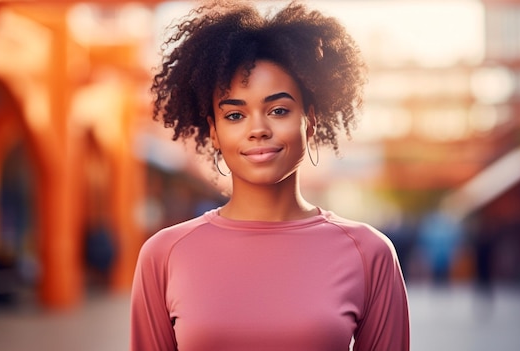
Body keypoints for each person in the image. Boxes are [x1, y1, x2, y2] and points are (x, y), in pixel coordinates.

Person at [130, 1, 410, 350]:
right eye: (235, 115)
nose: (258, 129)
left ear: (310, 121)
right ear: (213, 132)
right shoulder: (164, 255)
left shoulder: (369, 253)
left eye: (278, 110)